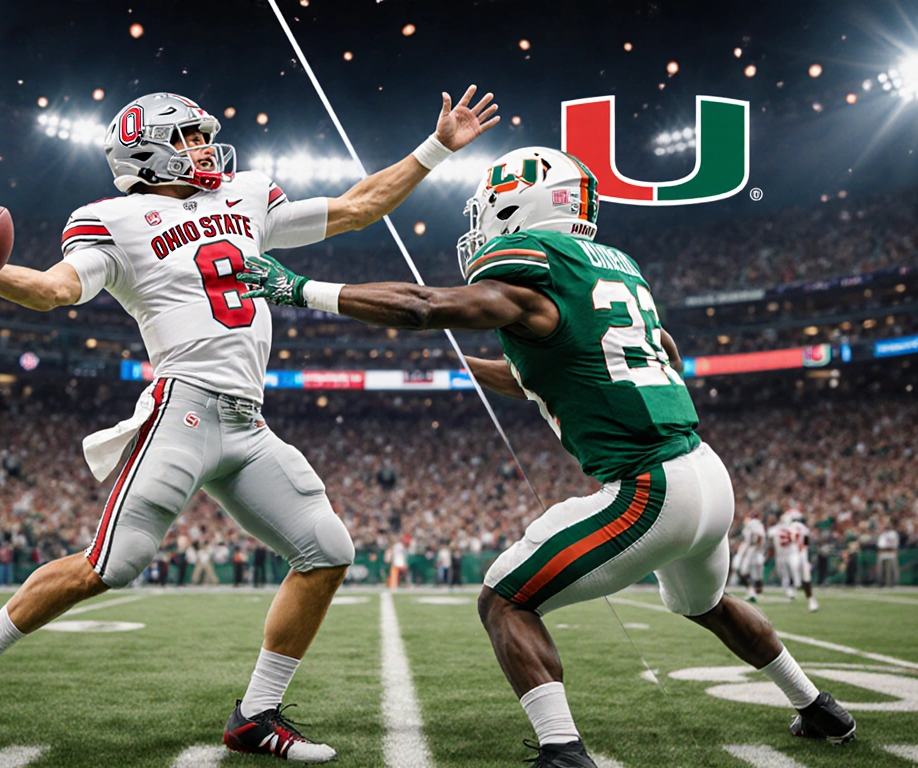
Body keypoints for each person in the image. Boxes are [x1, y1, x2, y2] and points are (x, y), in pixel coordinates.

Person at [0, 86, 500, 762]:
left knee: (327, 549)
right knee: (117, 561)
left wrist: (435, 148)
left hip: (248, 421)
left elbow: (359, 206)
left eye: (202, 135)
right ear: (147, 151)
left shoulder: (245, 195)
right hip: (184, 404)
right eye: (189, 137)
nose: (204, 147)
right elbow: (55, 290)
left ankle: (254, 715)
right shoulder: (111, 218)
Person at [238, 145, 856, 765]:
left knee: (505, 598)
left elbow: (426, 306)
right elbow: (630, 349)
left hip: (650, 488)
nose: (479, 224)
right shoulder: (613, 266)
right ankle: (815, 705)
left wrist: (301, 289)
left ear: (519, 206)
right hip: (706, 475)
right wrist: (469, 368)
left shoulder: (534, 271)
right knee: (707, 604)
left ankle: (562, 750)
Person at [775, 509, 817, 612]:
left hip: (792, 554)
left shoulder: (780, 529)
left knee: (797, 576)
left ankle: (804, 595)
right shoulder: (800, 527)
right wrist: (805, 548)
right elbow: (806, 539)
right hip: (800, 553)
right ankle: (810, 600)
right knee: (805, 578)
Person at [734, 514, 767, 602]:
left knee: (744, 571)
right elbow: (760, 536)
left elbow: (757, 536)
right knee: (754, 573)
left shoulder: (750, 523)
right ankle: (753, 592)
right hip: (753, 550)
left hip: (749, 549)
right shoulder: (757, 524)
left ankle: (752, 591)